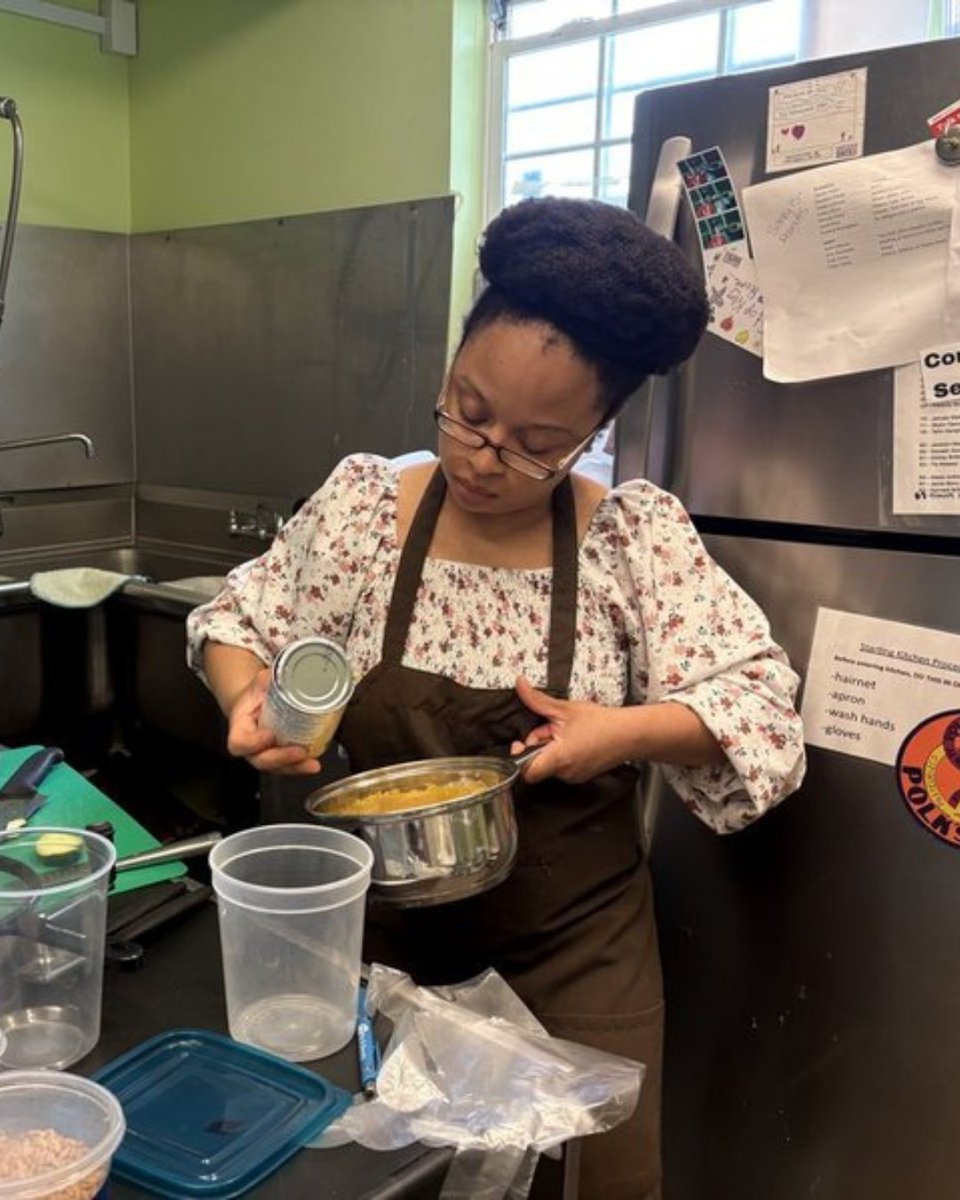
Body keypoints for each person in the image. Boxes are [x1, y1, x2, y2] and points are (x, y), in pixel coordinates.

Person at [186, 196, 806, 1199]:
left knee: (595, 1182)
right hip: (381, 949)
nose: (483, 456)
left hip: (578, 956)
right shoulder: (364, 510)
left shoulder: (631, 541)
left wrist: (626, 732)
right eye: (468, 411)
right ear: (453, 359)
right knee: (390, 1183)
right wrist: (246, 697)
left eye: (535, 444)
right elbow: (238, 618)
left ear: (596, 432)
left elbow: (764, 712)